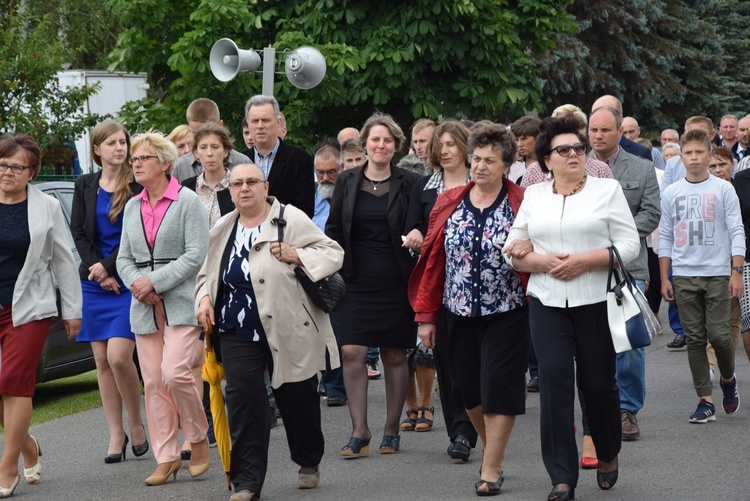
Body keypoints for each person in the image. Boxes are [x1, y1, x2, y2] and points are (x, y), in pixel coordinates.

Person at [504, 115, 640, 500]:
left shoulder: (606, 190)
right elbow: (513, 250)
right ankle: (561, 476)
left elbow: (629, 246)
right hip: (547, 301)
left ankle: (608, 451)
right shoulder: (533, 196)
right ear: (546, 160)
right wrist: (540, 262)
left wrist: (585, 260)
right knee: (554, 381)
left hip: (595, 300)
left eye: (579, 148)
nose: (574, 154)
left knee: (597, 385)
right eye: (563, 150)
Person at [195, 163, 344, 500]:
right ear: (229, 190)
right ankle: (247, 482)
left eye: (251, 182)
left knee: (297, 398)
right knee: (244, 400)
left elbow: (332, 253)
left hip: (289, 325)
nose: (244, 189)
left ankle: (308, 459)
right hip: (237, 328)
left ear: (266, 186)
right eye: (237, 184)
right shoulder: (223, 227)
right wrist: (204, 299)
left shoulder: (289, 219)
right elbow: (207, 274)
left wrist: (297, 255)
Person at [410, 123, 527, 496]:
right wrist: (426, 317)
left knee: (498, 388)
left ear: (506, 165)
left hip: (506, 311)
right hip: (455, 313)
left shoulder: (522, 202)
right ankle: (492, 447)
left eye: (489, 160)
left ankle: (491, 468)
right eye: (476, 158)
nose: (480, 166)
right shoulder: (450, 202)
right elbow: (433, 264)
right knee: (466, 392)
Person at [116, 130, 210, 486]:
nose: (136, 164)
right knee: (154, 382)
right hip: (143, 307)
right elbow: (124, 257)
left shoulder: (187, 201)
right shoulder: (131, 206)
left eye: (143, 159)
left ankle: (197, 437)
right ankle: (166, 456)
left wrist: (155, 281)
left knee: (175, 373)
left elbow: (196, 254)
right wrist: (139, 284)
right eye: (134, 160)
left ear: (165, 163)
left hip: (182, 302)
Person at [326, 113, 420, 458]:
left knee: (395, 353)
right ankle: (359, 430)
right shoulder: (347, 180)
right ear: (364, 143)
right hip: (355, 280)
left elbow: (418, 224)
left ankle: (391, 429)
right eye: (375, 140)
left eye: (388, 140)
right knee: (352, 351)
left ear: (396, 145)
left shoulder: (410, 182)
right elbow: (335, 228)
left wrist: (417, 234)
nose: (381, 146)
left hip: (396, 280)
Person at [0, 134, 82, 497]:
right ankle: (27, 445)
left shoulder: (45, 206)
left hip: (28, 308)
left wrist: (73, 310)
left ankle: (6, 468)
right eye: (2, 165)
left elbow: (64, 258)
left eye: (16, 167)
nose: (7, 172)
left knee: (14, 382)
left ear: (31, 171)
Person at [70, 121, 149, 465]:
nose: (120, 148)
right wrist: (97, 270)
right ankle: (116, 432)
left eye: (123, 142)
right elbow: (78, 231)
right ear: (97, 149)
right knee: (101, 360)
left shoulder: (137, 186)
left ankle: (136, 421)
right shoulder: (84, 184)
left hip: (127, 279)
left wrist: (110, 267)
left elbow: (139, 234)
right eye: (112, 143)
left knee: (119, 357)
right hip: (94, 283)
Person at [403, 120, 477, 460]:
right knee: (448, 361)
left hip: (480, 284)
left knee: (477, 361)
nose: (445, 150)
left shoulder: (481, 182)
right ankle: (459, 430)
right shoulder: (425, 187)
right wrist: (415, 237)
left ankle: (481, 419)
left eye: (451, 144)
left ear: (465, 146)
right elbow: (412, 228)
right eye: (440, 145)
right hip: (441, 285)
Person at [660, 128, 744, 423]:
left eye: (699, 152)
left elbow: (736, 231)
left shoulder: (723, 190)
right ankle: (704, 400)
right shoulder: (672, 193)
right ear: (680, 157)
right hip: (684, 274)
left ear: (710, 154)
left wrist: (736, 272)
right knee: (695, 338)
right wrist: (665, 277)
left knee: (721, 336)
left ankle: (729, 379)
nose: (694, 157)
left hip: (718, 273)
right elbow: (666, 236)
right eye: (688, 153)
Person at [588, 106, 661, 442]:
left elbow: (651, 214)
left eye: (605, 130)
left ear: (620, 131)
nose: (598, 136)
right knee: (591, 343)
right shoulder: (574, 167)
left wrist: (619, 243)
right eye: (593, 130)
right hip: (586, 267)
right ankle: (597, 408)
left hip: (629, 269)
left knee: (628, 342)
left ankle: (627, 410)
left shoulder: (643, 168)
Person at [180, 122, 237, 456]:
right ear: (195, 154)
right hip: (196, 273)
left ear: (226, 151)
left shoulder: (240, 182)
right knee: (200, 348)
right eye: (203, 148)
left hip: (230, 271)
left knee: (229, 342)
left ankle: (253, 402)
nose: (210, 153)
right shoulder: (187, 188)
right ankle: (206, 418)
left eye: (216, 147)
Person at [245, 95, 315, 218]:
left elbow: (305, 209)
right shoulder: (240, 161)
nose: (260, 126)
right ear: (249, 125)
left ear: (278, 123)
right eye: (255, 121)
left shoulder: (300, 159)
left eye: (265, 120)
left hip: (286, 233)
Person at [705, 147, 742, 377]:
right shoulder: (705, 191)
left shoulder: (741, 189)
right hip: (711, 259)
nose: (718, 170)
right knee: (713, 314)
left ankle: (727, 366)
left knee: (732, 316)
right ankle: (709, 365)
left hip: (736, 259)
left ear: (733, 165)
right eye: (713, 166)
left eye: (722, 165)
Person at [173, 98, 251, 182]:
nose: (202, 139)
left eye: (209, 132)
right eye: (195, 134)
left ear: (220, 125)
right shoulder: (181, 165)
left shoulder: (242, 163)